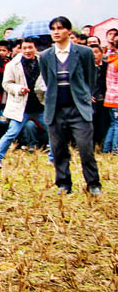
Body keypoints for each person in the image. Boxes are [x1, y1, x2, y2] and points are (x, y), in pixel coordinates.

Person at [38, 16, 101, 195]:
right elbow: (48, 81)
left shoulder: (84, 52)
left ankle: (93, 184)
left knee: (85, 148)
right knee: (58, 149)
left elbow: (90, 77)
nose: (56, 32)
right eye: (53, 29)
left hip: (78, 108)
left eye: (60, 28)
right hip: (56, 108)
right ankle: (64, 184)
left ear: (68, 31)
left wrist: (84, 96)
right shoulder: (45, 56)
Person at [0, 38, 46, 168]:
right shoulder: (13, 65)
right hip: (21, 105)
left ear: (35, 48)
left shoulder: (43, 62)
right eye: (24, 48)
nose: (27, 51)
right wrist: (19, 89)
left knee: (53, 130)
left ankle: (54, 157)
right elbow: (6, 84)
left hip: (40, 104)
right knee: (12, 132)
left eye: (30, 47)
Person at [102, 51, 118, 153]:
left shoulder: (112, 60)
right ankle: (115, 150)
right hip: (116, 98)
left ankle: (106, 149)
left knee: (114, 124)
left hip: (110, 98)